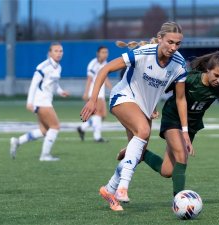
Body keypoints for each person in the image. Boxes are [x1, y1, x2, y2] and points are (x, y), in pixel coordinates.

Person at [117, 51, 219, 198]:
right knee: (182, 156)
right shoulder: (189, 79)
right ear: (207, 70)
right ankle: (180, 199)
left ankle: (139, 153)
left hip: (192, 126)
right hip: (173, 119)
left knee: (167, 171)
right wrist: (153, 106)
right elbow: (159, 88)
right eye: (216, 75)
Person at [80, 21, 192, 211]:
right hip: (122, 97)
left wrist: (185, 130)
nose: (173, 47)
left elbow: (180, 99)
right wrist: (92, 100)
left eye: (178, 44)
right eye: (170, 42)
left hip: (144, 109)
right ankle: (123, 188)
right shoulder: (143, 53)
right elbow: (104, 69)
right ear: (159, 39)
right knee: (143, 129)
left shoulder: (179, 64)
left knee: (138, 155)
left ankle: (109, 189)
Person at [10, 42, 69, 161]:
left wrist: (60, 91)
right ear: (49, 53)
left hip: (46, 101)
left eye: (61, 51)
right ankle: (45, 155)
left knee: (44, 131)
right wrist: (29, 102)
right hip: (41, 101)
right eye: (56, 51)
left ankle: (17, 141)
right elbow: (34, 84)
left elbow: (54, 83)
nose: (59, 53)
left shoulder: (58, 67)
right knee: (55, 126)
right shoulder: (43, 67)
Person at [77, 46, 112, 143]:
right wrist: (86, 93)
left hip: (101, 93)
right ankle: (97, 137)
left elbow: (105, 78)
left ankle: (82, 128)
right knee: (99, 114)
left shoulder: (105, 64)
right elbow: (89, 79)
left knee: (102, 115)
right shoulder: (93, 64)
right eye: (103, 52)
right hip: (94, 93)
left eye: (106, 52)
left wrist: (112, 89)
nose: (105, 54)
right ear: (98, 53)